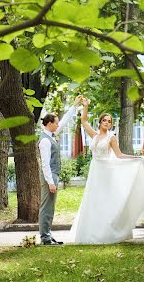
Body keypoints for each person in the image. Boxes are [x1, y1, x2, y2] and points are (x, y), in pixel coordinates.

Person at [70, 97, 144, 244]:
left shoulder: (111, 138)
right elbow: (83, 121)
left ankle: (108, 232)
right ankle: (91, 234)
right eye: (104, 120)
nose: (107, 123)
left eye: (109, 121)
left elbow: (119, 155)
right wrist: (86, 106)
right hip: (95, 171)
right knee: (93, 201)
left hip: (106, 172)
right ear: (100, 122)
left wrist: (136, 158)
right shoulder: (94, 135)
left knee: (106, 201)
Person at [38, 95, 82, 245]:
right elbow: (45, 164)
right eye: (55, 123)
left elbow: (63, 122)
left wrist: (74, 105)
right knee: (47, 208)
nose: (58, 125)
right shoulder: (45, 140)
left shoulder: (51, 135)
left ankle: (48, 235)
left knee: (50, 208)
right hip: (49, 176)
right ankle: (45, 238)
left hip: (53, 176)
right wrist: (50, 182)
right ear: (49, 124)